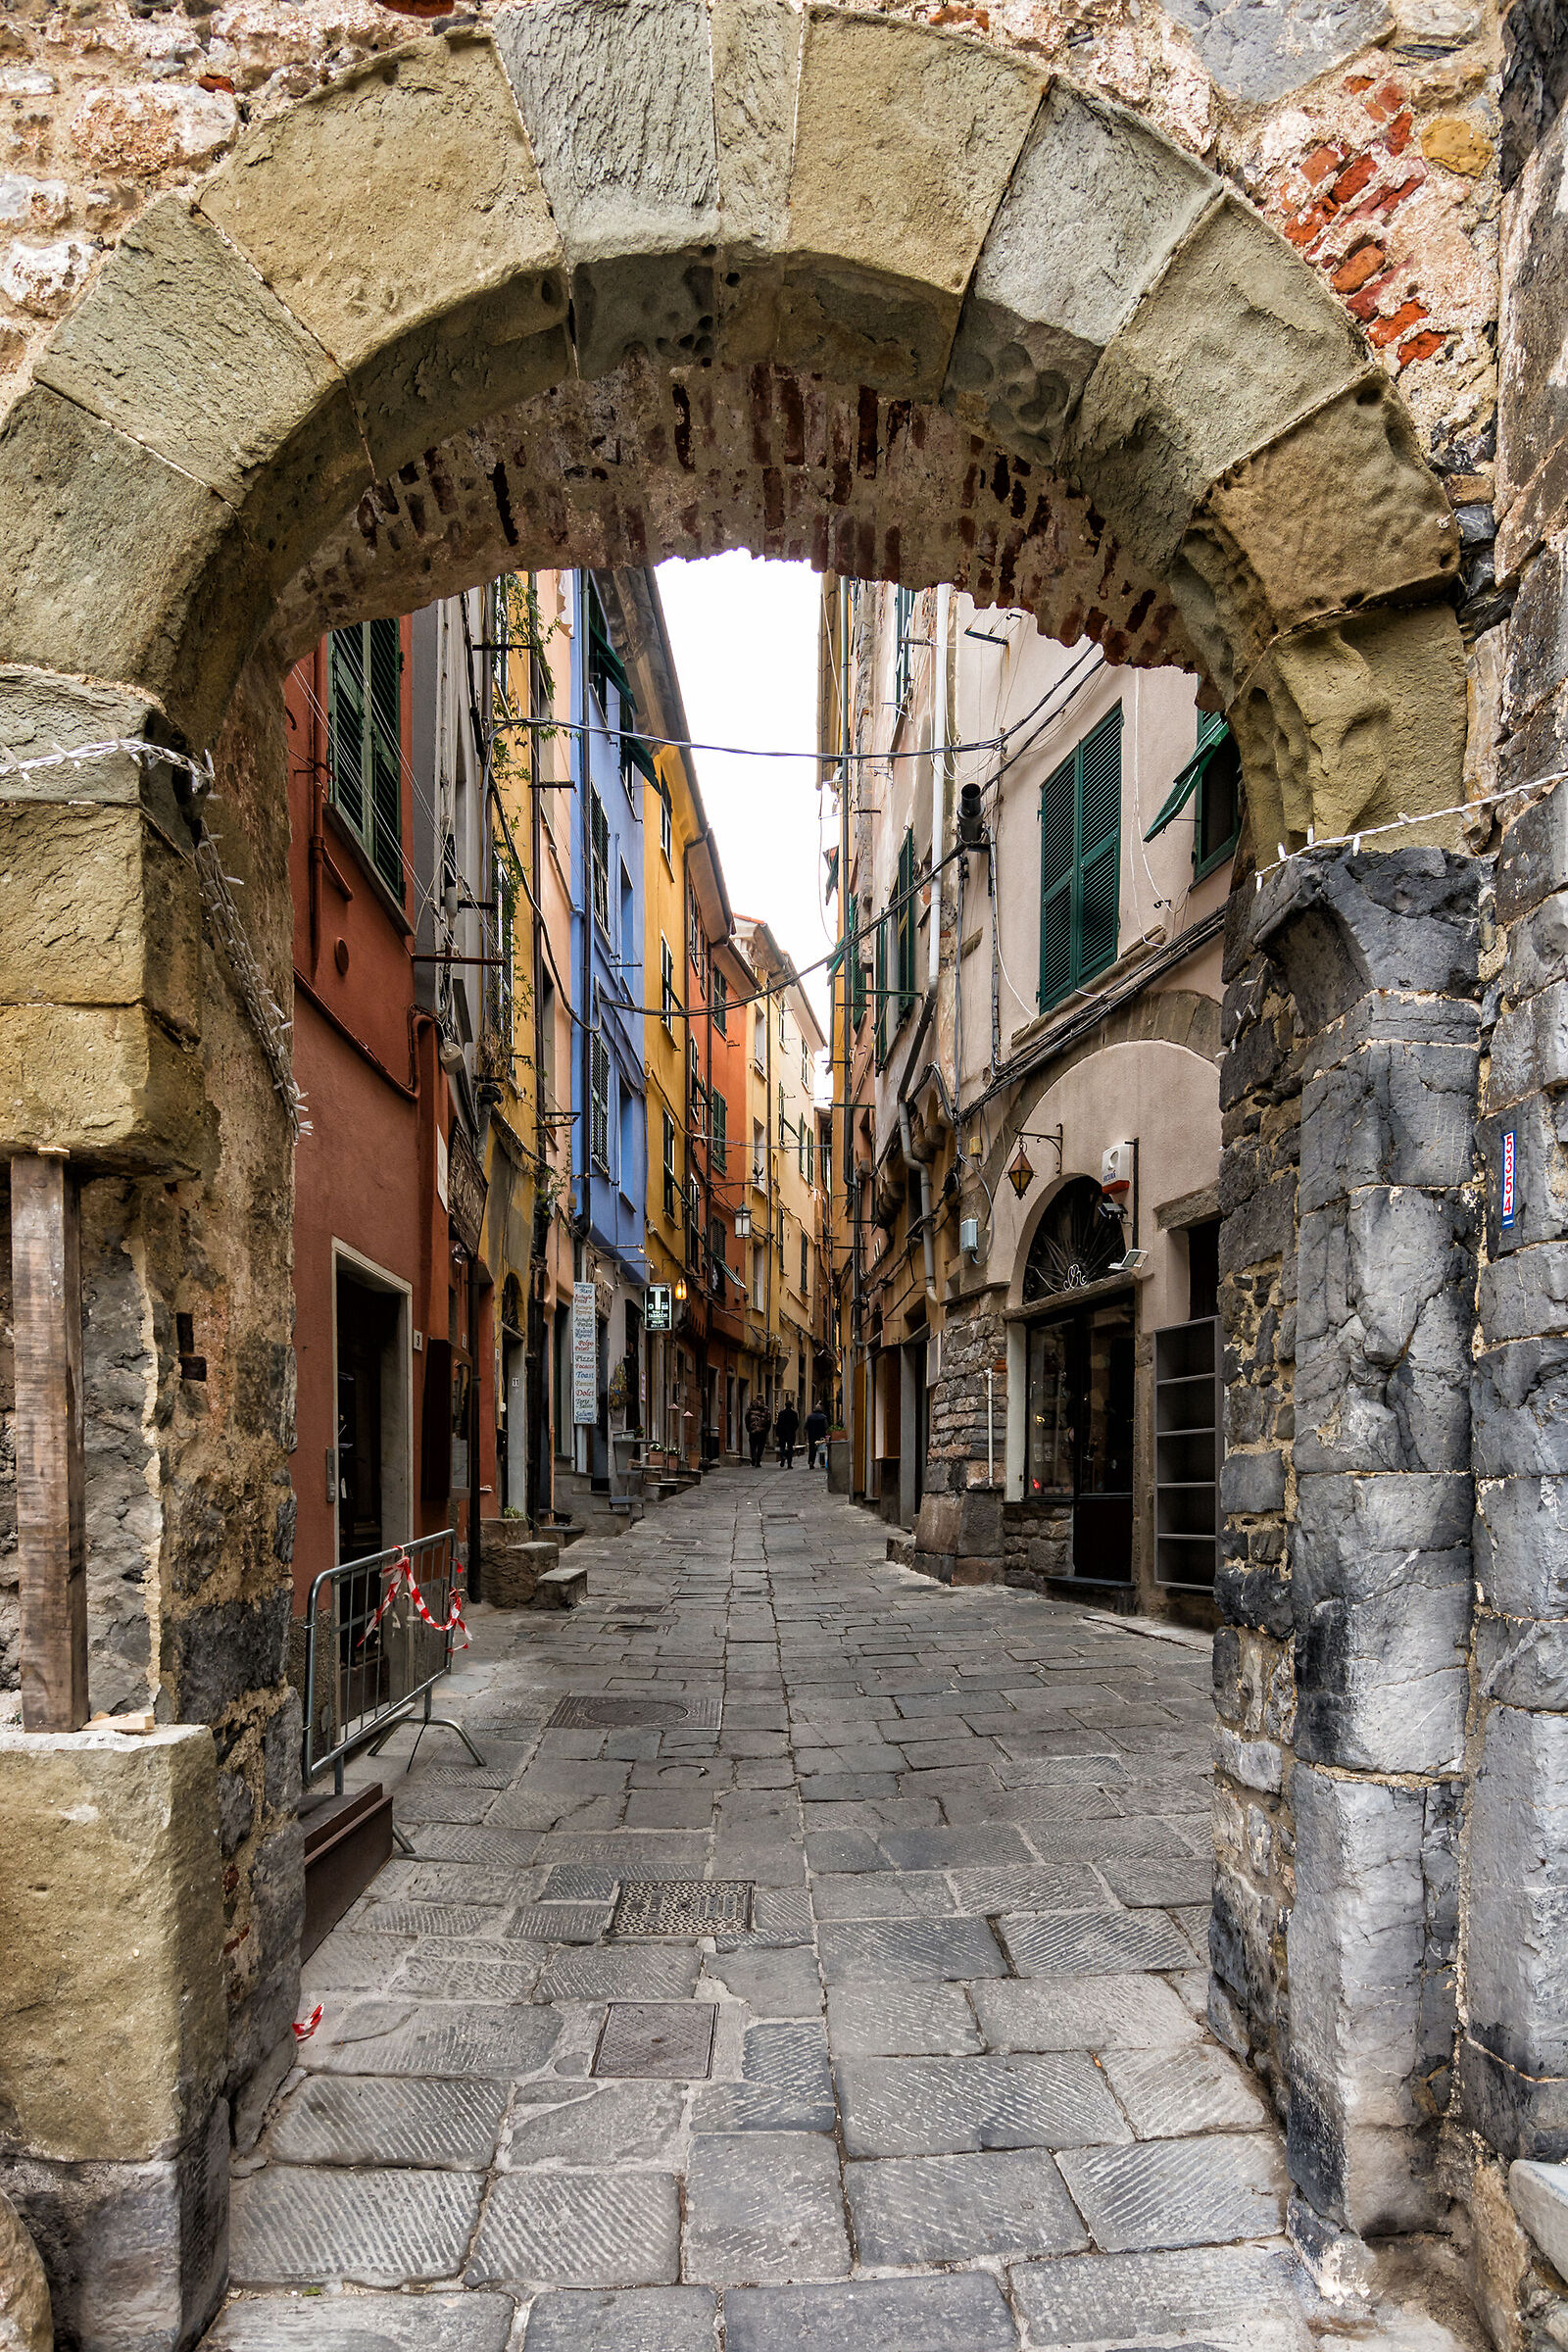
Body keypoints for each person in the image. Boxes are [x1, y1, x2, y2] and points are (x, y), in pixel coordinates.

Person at [745, 1395, 770, 1468]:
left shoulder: (750, 1408)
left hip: (752, 1430)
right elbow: (769, 1420)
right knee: (761, 1446)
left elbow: (746, 1419)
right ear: (762, 1399)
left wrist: (748, 1428)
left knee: (753, 1445)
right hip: (762, 1431)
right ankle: (758, 1460)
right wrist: (767, 1430)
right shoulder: (765, 1409)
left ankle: (753, 1457)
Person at [776, 1396, 800, 1468]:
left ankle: (783, 1457)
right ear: (791, 1406)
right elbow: (796, 1424)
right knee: (790, 1449)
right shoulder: (794, 1414)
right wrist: (793, 1430)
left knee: (782, 1447)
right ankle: (789, 1464)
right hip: (791, 1434)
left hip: (782, 1433)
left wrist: (778, 1433)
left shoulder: (781, 1413)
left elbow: (778, 1424)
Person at [805, 1402, 828, 1469]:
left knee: (812, 1450)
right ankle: (822, 1463)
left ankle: (811, 1462)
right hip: (821, 1436)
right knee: (822, 1450)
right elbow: (826, 1426)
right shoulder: (823, 1417)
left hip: (811, 1436)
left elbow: (806, 1427)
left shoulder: (809, 1417)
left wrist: (805, 1435)